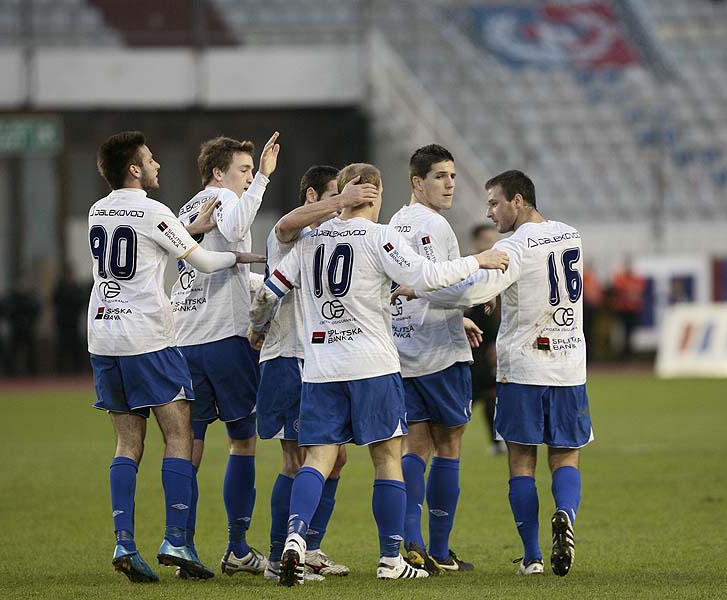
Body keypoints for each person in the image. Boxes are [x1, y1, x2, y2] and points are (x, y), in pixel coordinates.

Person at [247, 163, 509, 585]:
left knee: (317, 458)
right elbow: (427, 276)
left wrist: (258, 326)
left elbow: (268, 292)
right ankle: (390, 559)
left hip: (321, 368)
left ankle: (295, 538)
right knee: (387, 458)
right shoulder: (380, 237)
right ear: (376, 194)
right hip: (372, 365)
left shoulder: (310, 240)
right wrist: (479, 259)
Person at [393, 170, 592, 577]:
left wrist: (420, 288)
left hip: (523, 368)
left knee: (521, 462)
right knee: (566, 456)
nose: (489, 212)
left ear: (518, 200)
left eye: (494, 202)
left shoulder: (513, 247)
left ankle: (533, 557)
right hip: (570, 366)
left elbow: (473, 290)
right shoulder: (569, 235)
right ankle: (565, 513)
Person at [88, 131, 264, 583]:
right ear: (134, 169)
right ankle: (176, 540)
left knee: (127, 443)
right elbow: (203, 262)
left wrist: (191, 230)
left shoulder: (97, 211)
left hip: (102, 336)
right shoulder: (154, 211)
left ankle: (124, 542)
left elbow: (147, 245)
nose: (157, 165)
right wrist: (241, 259)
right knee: (180, 433)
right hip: (147, 337)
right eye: (150, 160)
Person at [256, 165, 377, 581]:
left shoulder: (329, 239)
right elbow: (284, 226)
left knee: (335, 457)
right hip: (289, 356)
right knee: (297, 460)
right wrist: (258, 326)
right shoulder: (293, 234)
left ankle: (308, 547)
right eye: (332, 199)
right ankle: (278, 559)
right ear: (312, 197)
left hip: (316, 361)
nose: (340, 209)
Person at [168, 133, 280, 577]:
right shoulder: (225, 199)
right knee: (242, 439)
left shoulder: (184, 209)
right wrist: (265, 179)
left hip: (184, 338)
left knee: (188, 444)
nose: (249, 177)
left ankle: (182, 545)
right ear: (218, 172)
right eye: (244, 169)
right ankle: (237, 547)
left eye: (252, 170)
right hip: (224, 338)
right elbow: (233, 230)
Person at [388, 144, 477, 573]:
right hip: (440, 352)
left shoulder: (393, 223)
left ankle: (413, 541)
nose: (449, 184)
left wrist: (458, 315)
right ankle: (440, 550)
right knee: (449, 445)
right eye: (440, 176)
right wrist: (473, 297)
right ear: (416, 182)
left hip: (402, 350)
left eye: (452, 176)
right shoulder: (435, 226)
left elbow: (409, 286)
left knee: (414, 447)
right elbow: (446, 286)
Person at [465, 224, 503, 455]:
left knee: (491, 394)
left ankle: (496, 442)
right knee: (466, 397)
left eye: (493, 240)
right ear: (475, 243)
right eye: (486, 241)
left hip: (487, 344)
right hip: (466, 345)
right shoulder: (465, 270)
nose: (491, 245)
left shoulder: (498, 270)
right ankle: (445, 442)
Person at [610, 256, 645, 360]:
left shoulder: (634, 278)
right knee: (623, 332)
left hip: (632, 309)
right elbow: (621, 291)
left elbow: (638, 292)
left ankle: (627, 353)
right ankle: (623, 353)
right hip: (622, 309)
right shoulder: (621, 278)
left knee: (630, 332)